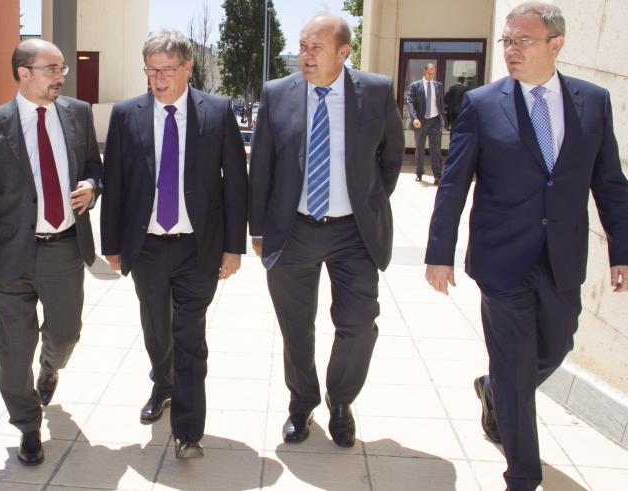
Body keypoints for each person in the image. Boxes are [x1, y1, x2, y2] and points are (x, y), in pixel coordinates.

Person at [424, 3, 628, 490]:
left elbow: (610, 183)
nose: (511, 50)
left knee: (557, 345)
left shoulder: (593, 102)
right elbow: (454, 185)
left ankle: (495, 390)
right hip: (502, 261)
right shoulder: (482, 104)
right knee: (518, 366)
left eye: (522, 41)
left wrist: (624, 251)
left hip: (562, 258)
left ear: (555, 45)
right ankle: (522, 475)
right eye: (506, 40)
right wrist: (439, 253)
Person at [249, 15, 404, 448]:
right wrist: (258, 229)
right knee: (295, 326)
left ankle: (340, 400)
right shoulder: (277, 94)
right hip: (292, 231)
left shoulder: (374, 92)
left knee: (358, 323)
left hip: (353, 234)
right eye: (302, 46)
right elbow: (261, 164)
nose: (306, 55)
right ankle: (302, 404)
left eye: (316, 47)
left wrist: (366, 201)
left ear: (343, 52)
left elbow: (391, 159)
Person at [100, 29, 248, 459]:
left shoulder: (217, 113)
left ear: (188, 67)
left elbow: (235, 184)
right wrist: (113, 244)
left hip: (197, 248)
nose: (159, 79)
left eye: (167, 70)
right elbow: (117, 183)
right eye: (152, 70)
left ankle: (188, 430)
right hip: (146, 247)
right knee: (156, 329)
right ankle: (161, 384)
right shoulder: (127, 114)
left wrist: (233, 246)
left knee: (189, 336)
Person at [0, 39, 101, 466]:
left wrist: (92, 187)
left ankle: (50, 366)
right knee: (13, 347)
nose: (62, 76)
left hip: (64, 251)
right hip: (12, 257)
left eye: (62, 69)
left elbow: (95, 165)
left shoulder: (77, 114)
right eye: (52, 68)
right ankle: (27, 426)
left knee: (65, 333)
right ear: (24, 73)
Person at [406, 63, 445, 183]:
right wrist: (414, 118)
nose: (431, 76)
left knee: (436, 149)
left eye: (433, 73)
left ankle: (438, 176)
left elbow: (440, 103)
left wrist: (442, 120)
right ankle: (419, 173)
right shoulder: (415, 86)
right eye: (429, 73)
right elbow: (410, 102)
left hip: (434, 121)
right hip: (420, 122)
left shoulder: (438, 85)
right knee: (420, 148)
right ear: (424, 71)